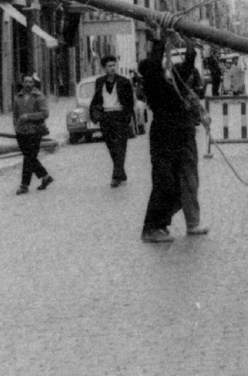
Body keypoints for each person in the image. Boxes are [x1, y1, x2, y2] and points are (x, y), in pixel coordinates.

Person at [140, 36, 195, 243]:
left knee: (177, 188)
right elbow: (155, 65)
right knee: (164, 184)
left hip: (176, 138)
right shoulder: (154, 85)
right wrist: (160, 40)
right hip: (163, 139)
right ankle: (151, 228)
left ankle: (161, 223)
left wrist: (189, 43)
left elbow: (187, 66)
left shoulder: (169, 84)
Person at [169, 41, 210, 236]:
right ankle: (192, 223)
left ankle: (162, 220)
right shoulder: (179, 93)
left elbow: (201, 112)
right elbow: (189, 60)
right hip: (183, 142)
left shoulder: (183, 93)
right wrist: (189, 42)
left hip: (178, 141)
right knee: (188, 182)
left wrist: (204, 118)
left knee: (180, 183)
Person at [90, 56, 136, 187]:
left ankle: (115, 177)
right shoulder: (99, 81)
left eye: (114, 65)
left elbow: (130, 102)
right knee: (111, 147)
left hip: (120, 116)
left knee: (120, 147)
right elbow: (97, 99)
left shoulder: (124, 82)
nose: (112, 68)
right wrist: (96, 115)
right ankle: (121, 173)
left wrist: (128, 118)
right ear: (104, 68)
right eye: (109, 66)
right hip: (106, 117)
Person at [12, 74, 53, 195]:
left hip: (35, 131)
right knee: (29, 157)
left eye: (30, 82)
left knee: (29, 158)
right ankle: (45, 177)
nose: (28, 84)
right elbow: (15, 114)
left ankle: (24, 186)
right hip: (21, 132)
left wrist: (28, 117)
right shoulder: (18, 97)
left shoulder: (39, 97)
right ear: (22, 83)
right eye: (26, 82)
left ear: (33, 83)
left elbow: (45, 113)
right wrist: (16, 127)